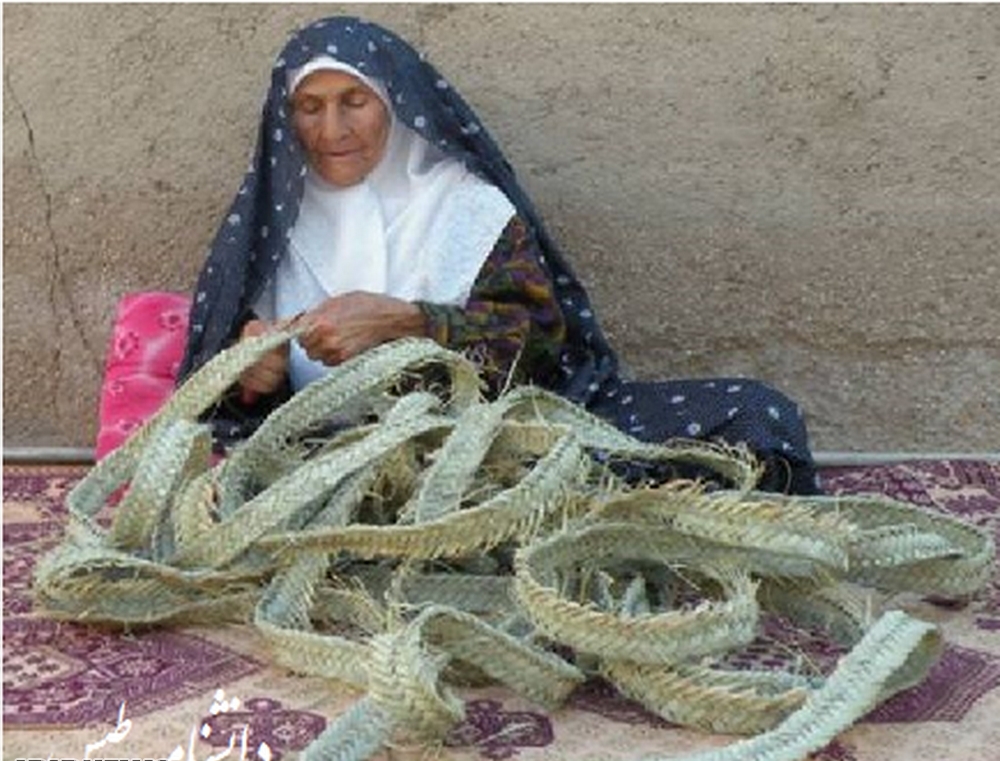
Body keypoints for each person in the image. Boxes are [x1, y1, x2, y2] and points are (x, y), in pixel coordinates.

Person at [178, 15, 820, 494]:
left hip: (498, 444)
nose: (332, 131)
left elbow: (540, 346)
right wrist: (249, 374)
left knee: (757, 417)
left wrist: (410, 323)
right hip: (332, 464)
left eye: (354, 102)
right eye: (308, 108)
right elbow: (215, 400)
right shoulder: (269, 222)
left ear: (395, 104)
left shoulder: (464, 206)